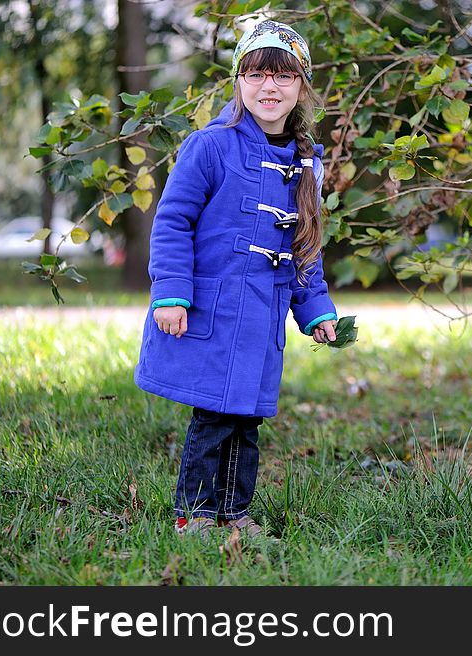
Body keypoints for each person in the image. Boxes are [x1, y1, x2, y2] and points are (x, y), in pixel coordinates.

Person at [134, 20, 338, 537]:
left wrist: (315, 309)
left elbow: (304, 249)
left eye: (284, 77)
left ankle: (235, 512)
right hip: (214, 310)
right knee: (213, 417)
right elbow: (173, 220)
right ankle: (194, 514)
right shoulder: (210, 146)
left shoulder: (307, 163)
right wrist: (171, 293)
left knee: (247, 420)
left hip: (262, 317)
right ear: (239, 81)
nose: (269, 87)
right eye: (256, 74)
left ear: (302, 87)